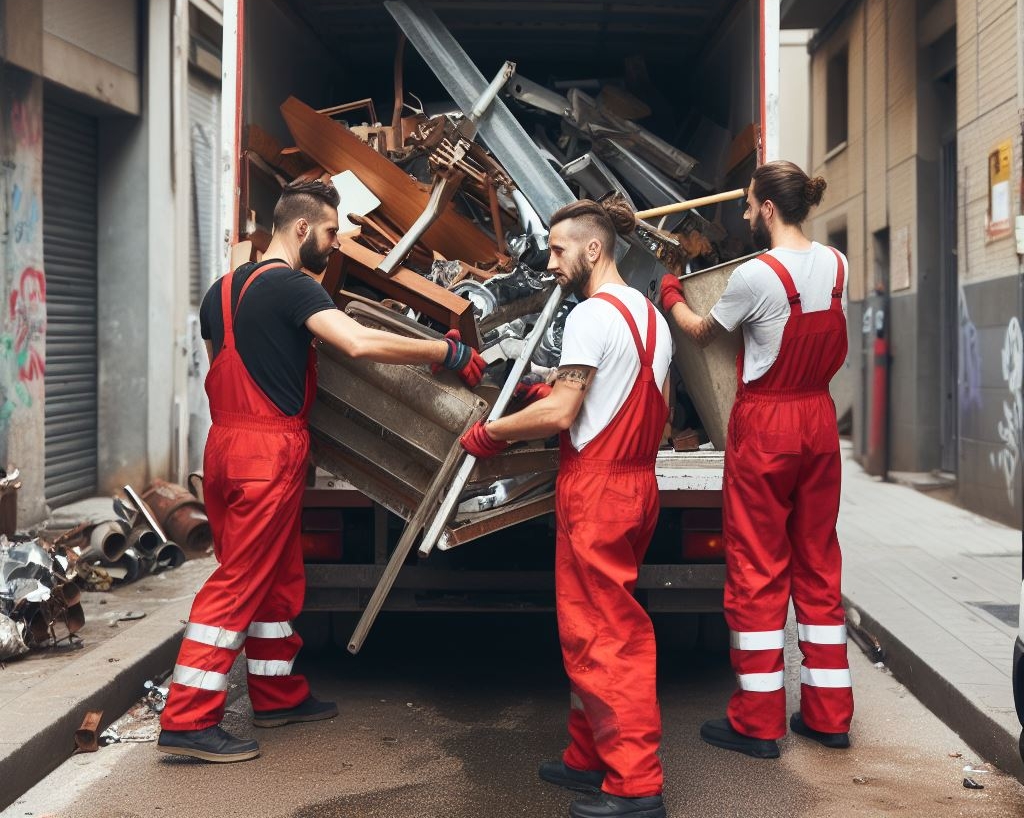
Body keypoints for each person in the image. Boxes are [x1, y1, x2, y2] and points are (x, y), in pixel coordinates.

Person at [158, 178, 484, 763]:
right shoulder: (291, 288)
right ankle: (186, 719)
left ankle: (276, 694)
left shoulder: (220, 291)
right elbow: (355, 344)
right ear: (302, 229)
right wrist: (444, 352)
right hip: (266, 450)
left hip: (227, 443)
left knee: (276, 576)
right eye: (332, 232)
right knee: (238, 583)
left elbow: (222, 369)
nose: (337, 243)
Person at [461, 196, 672, 818]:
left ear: (593, 248)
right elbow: (624, 394)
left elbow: (562, 413)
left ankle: (635, 785)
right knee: (597, 628)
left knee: (604, 636)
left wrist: (492, 433)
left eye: (557, 250)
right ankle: (590, 757)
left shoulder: (588, 316)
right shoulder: (648, 315)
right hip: (637, 484)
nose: (550, 262)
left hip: (599, 490)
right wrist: (548, 385)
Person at [659, 161, 853, 760]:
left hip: (768, 427)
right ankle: (829, 716)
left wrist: (669, 290)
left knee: (757, 567)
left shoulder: (754, 276)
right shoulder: (837, 264)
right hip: (819, 423)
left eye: (748, 204)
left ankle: (758, 720)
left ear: (768, 207)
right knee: (819, 562)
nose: (744, 213)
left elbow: (699, 332)